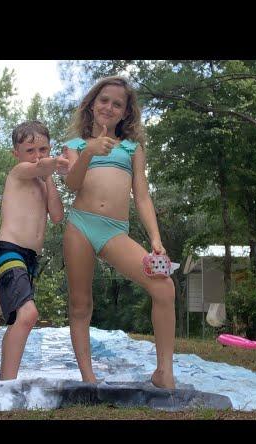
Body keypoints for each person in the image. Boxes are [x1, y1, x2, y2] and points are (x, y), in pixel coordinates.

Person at [62, 76, 176, 389]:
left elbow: (141, 196)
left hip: (114, 232)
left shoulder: (132, 149)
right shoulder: (73, 146)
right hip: (80, 225)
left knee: (164, 287)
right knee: (80, 304)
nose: (109, 107)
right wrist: (89, 151)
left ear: (126, 112)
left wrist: (155, 238)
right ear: (92, 104)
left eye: (117, 104)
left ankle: (164, 372)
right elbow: (72, 185)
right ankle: (88, 378)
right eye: (104, 100)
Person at [0, 120, 68, 380]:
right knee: (28, 314)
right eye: (30, 150)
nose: (37, 156)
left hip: (30, 259)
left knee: (17, 321)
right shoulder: (18, 174)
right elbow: (36, 167)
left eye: (44, 149)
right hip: (8, 250)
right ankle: (7, 385)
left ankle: (5, 380)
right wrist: (57, 163)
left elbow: (57, 215)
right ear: (17, 155)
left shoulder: (43, 182)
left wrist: (50, 179)